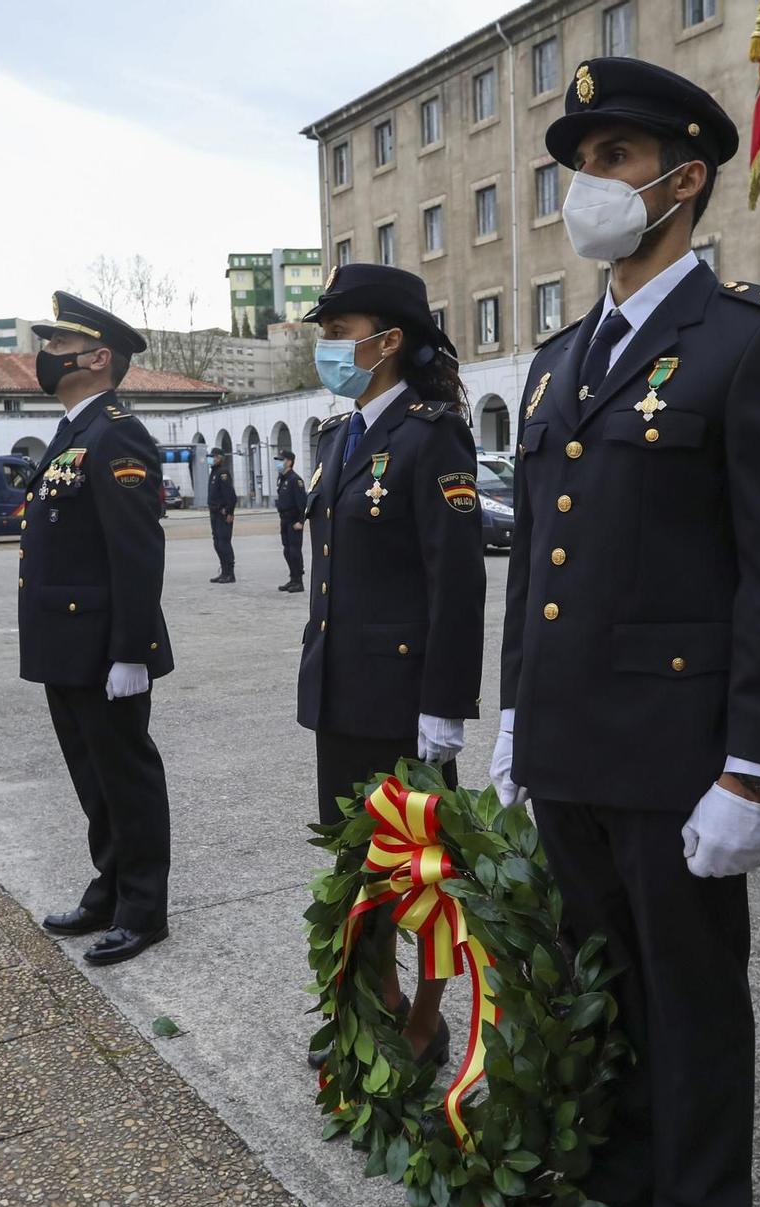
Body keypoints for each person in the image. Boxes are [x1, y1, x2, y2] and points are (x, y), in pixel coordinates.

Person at [488, 58, 760, 1207]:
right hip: (571, 739)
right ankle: (624, 1170)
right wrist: (514, 708)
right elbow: (535, 554)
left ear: (684, 180)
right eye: (577, 160)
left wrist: (755, 769)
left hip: (679, 747)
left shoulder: (752, 343)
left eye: (614, 159)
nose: (587, 183)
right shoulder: (557, 356)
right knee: (599, 974)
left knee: (688, 998)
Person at [297, 262, 484, 1071]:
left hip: (405, 699)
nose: (329, 348)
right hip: (342, 691)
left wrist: (444, 705)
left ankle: (429, 1021)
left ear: (388, 341)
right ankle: (378, 1001)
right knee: (357, 865)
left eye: (339, 333)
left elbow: (458, 579)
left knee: (425, 879)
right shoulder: (343, 435)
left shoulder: (431, 430)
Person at [20, 293, 175, 966]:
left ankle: (143, 908)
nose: (45, 357)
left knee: (126, 776)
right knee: (93, 777)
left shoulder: (117, 434)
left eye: (56, 346)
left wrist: (131, 652)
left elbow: (136, 552)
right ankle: (108, 886)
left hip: (105, 645)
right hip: (66, 643)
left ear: (97, 357)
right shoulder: (74, 432)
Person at [274, 448, 307, 592]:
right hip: (284, 520)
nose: (278, 463)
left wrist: (301, 521)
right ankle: (292, 578)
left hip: (294, 522)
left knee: (294, 552)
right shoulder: (282, 478)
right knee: (287, 551)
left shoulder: (295, 480)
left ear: (289, 462)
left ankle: (299, 581)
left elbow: (302, 503)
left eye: (281, 460)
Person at [206, 446, 236, 583]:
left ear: (219, 458)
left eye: (213, 457)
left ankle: (230, 573)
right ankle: (224, 571)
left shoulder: (223, 473)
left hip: (222, 513)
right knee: (217, 543)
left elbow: (230, 495)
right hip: (214, 513)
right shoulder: (214, 473)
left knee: (224, 543)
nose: (210, 459)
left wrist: (229, 511)